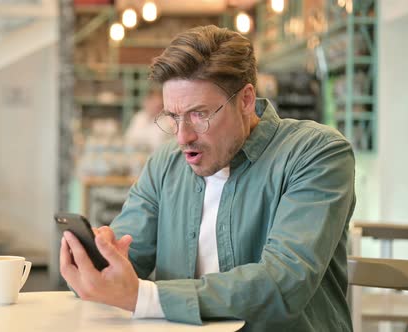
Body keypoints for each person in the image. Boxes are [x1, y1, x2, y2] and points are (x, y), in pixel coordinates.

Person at [60, 25, 355, 331]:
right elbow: (126, 257)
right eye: (173, 117)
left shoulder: (316, 154)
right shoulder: (165, 164)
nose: (182, 136)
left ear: (246, 100)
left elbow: (284, 281)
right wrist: (94, 264)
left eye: (199, 115)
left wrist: (145, 297)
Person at [124, 88, 169, 152]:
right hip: (135, 155)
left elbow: (160, 144)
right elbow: (128, 138)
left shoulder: (167, 121)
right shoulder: (139, 117)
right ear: (146, 102)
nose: (154, 107)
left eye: (158, 105)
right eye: (152, 103)